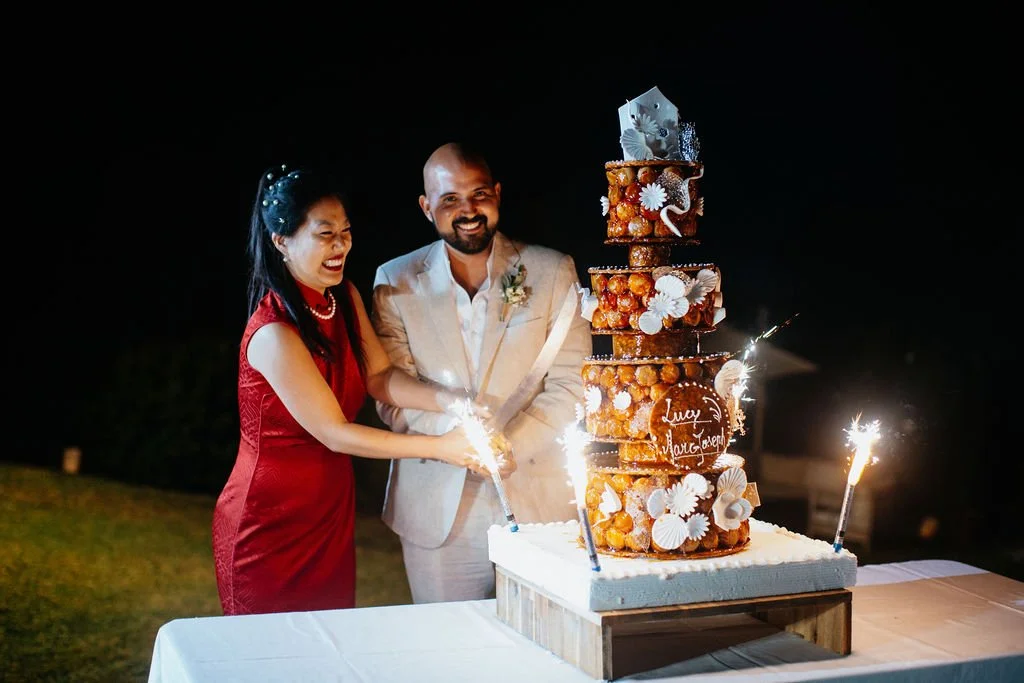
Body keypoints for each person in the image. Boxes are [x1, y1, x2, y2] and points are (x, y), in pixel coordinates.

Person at [212, 164, 512, 616]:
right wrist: (440, 447)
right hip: (270, 517)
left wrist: (450, 400)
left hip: (329, 507)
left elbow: (379, 377)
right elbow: (334, 432)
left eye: (346, 231)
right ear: (281, 241)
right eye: (324, 234)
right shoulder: (274, 333)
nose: (341, 245)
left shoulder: (343, 297)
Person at [371, 142, 592, 604]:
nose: (467, 210)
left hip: (541, 503)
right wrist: (463, 445)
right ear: (426, 206)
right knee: (447, 652)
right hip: (437, 506)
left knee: (544, 655)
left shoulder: (553, 271)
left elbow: (573, 384)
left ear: (497, 193)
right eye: (449, 199)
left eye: (478, 194)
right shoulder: (395, 281)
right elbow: (391, 393)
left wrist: (510, 445)